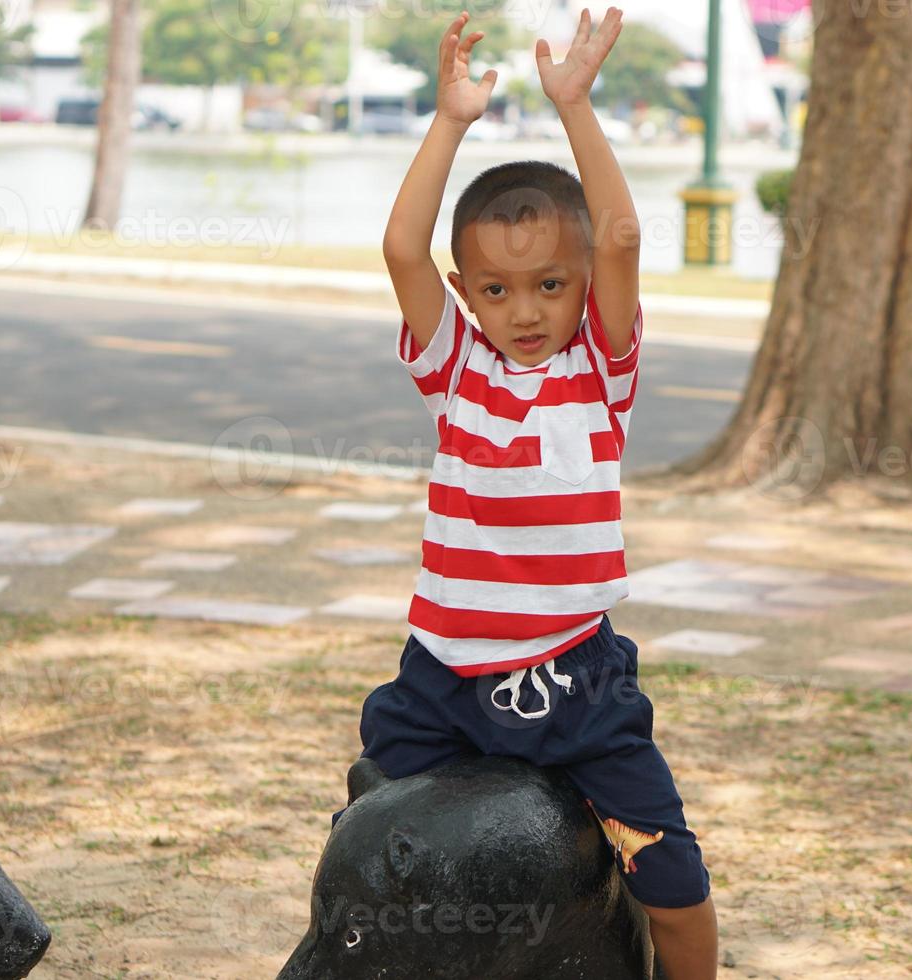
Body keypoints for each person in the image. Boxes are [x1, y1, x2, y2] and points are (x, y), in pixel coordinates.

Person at [339, 8, 719, 979]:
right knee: (370, 846)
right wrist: (450, 121)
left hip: (575, 682)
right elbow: (400, 250)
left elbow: (624, 230)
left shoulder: (600, 369)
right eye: (500, 291)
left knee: (670, 882)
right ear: (468, 292)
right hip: (441, 679)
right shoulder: (454, 366)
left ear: (584, 281)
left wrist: (574, 107)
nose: (527, 310)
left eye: (551, 284)